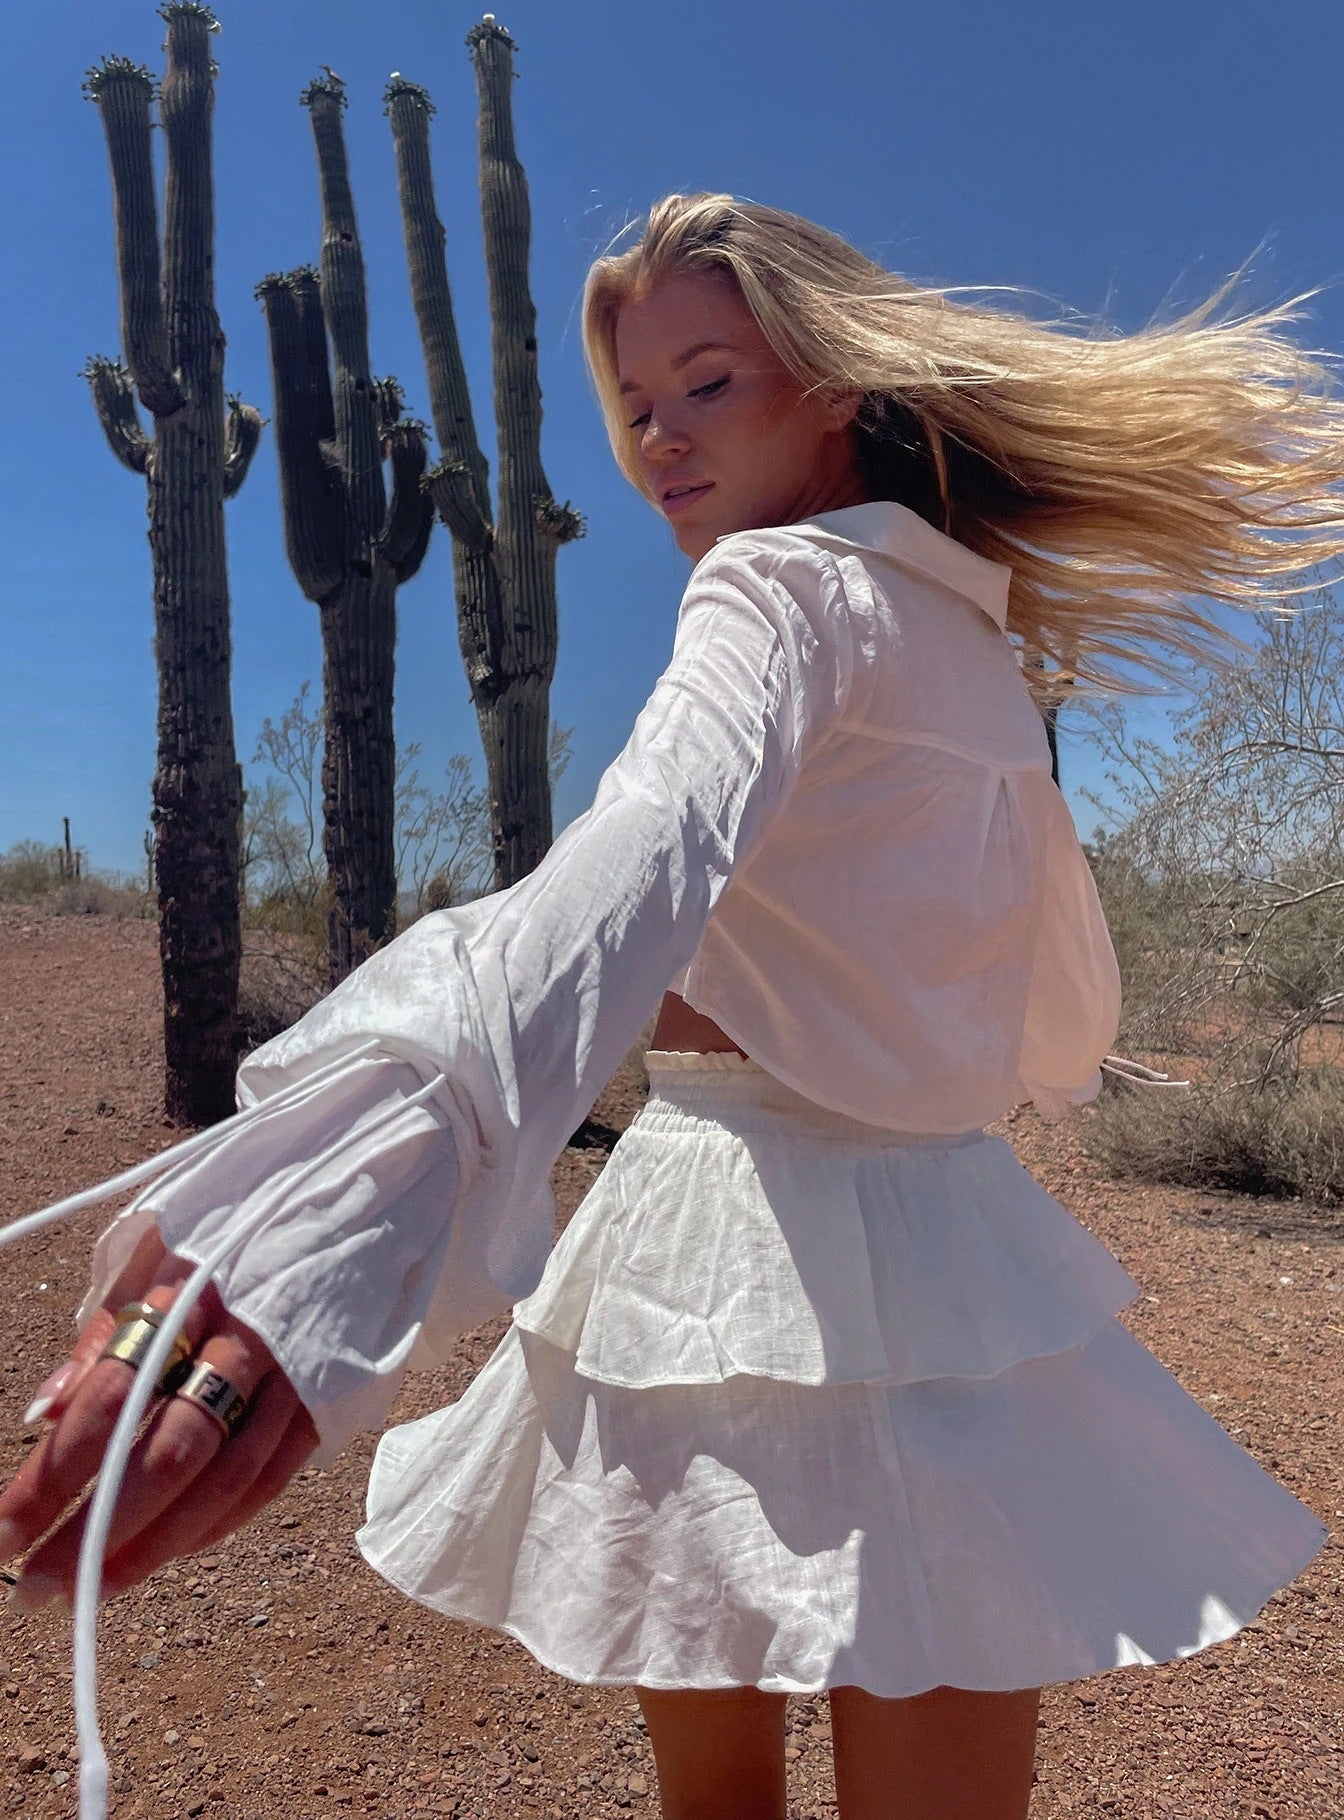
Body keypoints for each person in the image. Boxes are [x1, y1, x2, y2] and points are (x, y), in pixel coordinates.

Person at [2, 192, 1340, 1820]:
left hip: (710, 1239)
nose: (661, 445)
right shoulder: (983, 658)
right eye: (637, 407)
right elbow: (1060, 1015)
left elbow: (650, 843)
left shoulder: (771, 595)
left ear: (836, 380)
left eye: (709, 383)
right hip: (945, 1247)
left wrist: (379, 1146)